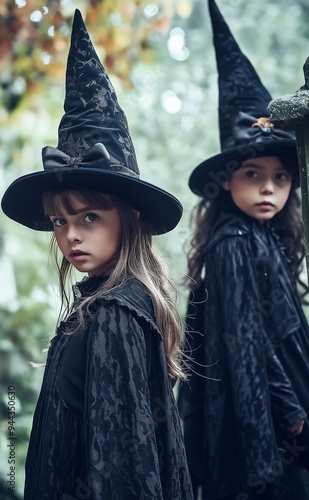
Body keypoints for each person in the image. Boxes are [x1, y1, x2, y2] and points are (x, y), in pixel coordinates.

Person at [1, 10, 194, 500]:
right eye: (60, 222)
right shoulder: (100, 305)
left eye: (90, 217)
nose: (71, 236)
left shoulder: (114, 313)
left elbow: (125, 471)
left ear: (128, 219)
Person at [177, 1, 309, 499]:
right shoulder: (233, 244)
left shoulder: (264, 238)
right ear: (226, 182)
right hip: (262, 429)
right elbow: (248, 346)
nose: (269, 189)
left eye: (281, 177)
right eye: (253, 175)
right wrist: (294, 420)